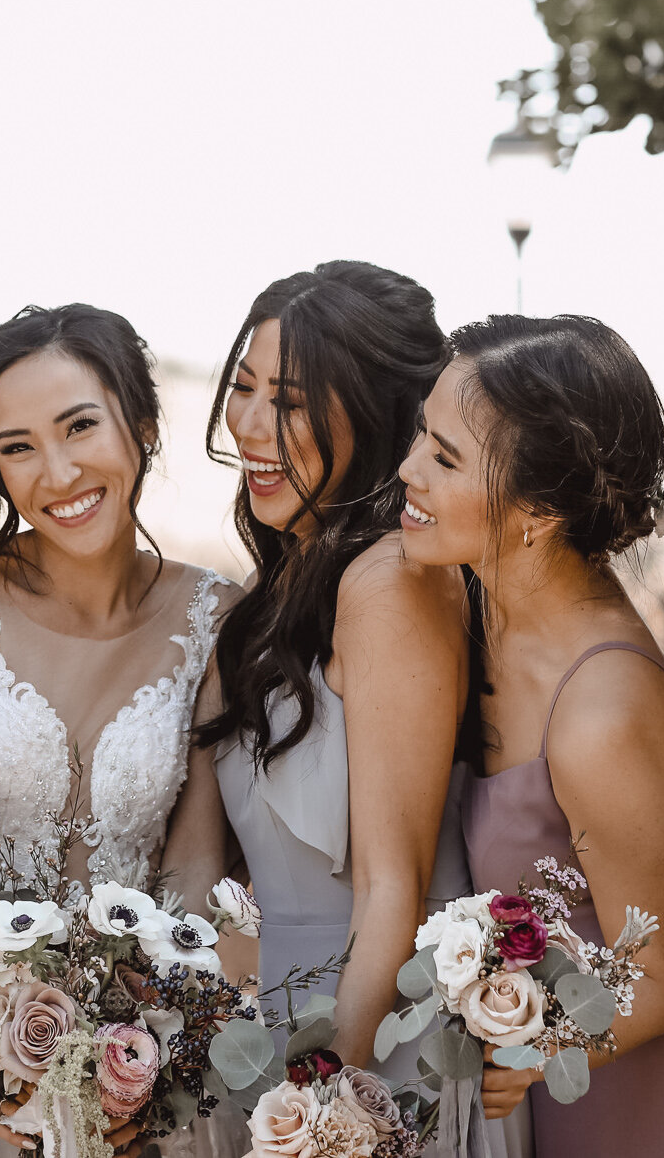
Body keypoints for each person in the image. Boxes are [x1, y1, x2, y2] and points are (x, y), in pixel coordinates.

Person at [0, 303, 237, 1156]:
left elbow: (192, 865)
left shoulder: (217, 614)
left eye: (81, 425)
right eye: (17, 447)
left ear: (142, 425)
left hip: (134, 1076)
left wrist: (152, 1059)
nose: (57, 471)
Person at [401, 314, 664, 1154]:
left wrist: (520, 1046)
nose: (408, 469)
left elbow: (663, 981)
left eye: (446, 458)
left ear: (537, 514)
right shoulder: (482, 605)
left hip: (645, 1095)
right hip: (557, 1090)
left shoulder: (602, 709)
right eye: (423, 434)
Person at [171, 262, 473, 1086]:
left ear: (376, 413)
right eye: (244, 385)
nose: (251, 425)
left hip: (380, 1047)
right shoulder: (267, 602)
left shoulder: (390, 583)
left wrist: (327, 1098)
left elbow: (391, 892)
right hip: (275, 1031)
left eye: (292, 400)